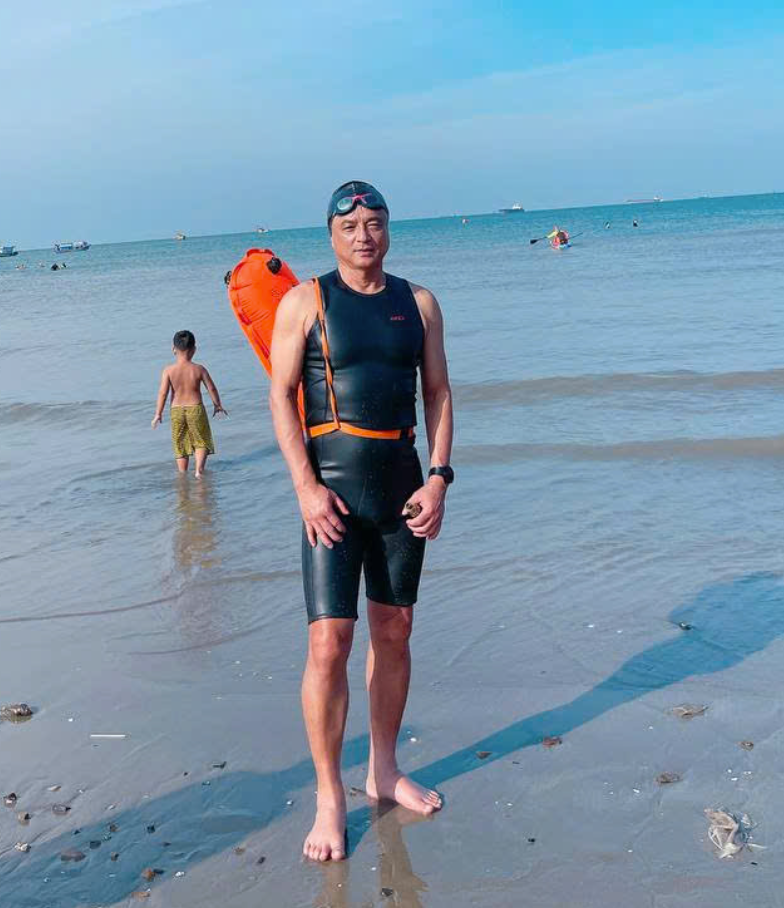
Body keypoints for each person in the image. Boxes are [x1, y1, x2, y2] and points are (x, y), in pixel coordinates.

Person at [269, 181, 454, 862]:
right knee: (329, 643)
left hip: (403, 484)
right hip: (332, 492)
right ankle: (328, 796)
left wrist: (438, 478)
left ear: (388, 229)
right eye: (350, 226)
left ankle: (383, 769)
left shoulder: (419, 303)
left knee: (395, 630)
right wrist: (306, 489)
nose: (363, 235)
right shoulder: (305, 302)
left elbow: (438, 393)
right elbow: (281, 397)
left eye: (374, 223)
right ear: (331, 235)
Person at [152, 330, 227, 477]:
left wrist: (158, 414)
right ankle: (199, 470)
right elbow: (211, 388)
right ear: (194, 349)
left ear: (173, 349)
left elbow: (162, 393)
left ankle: (182, 473)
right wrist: (217, 404)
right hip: (195, 408)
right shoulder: (199, 369)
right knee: (201, 440)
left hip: (176, 410)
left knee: (180, 441)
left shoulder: (168, 370)